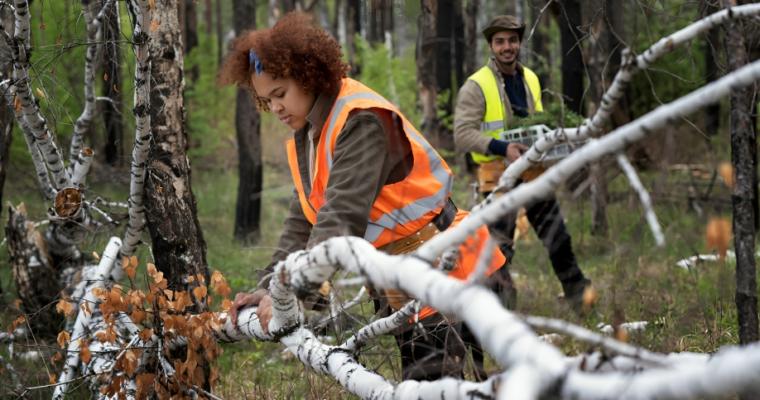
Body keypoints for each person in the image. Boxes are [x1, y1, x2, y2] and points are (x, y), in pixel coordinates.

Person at [221, 12, 511, 381]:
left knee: (442, 388)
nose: (275, 108)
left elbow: (341, 217)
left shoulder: (359, 120)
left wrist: (296, 291)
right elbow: (304, 219)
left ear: (309, 75)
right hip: (410, 280)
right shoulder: (312, 130)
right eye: (265, 100)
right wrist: (268, 288)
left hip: (454, 268)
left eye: (280, 94)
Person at [453, 15, 592, 309]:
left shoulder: (530, 78)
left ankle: (581, 300)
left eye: (512, 40)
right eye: (500, 41)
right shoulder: (476, 85)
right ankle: (500, 311)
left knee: (557, 237)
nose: (507, 47)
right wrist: (503, 148)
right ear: (491, 46)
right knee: (499, 249)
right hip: (498, 176)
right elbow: (463, 135)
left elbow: (536, 124)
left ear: (519, 43)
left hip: (531, 172)